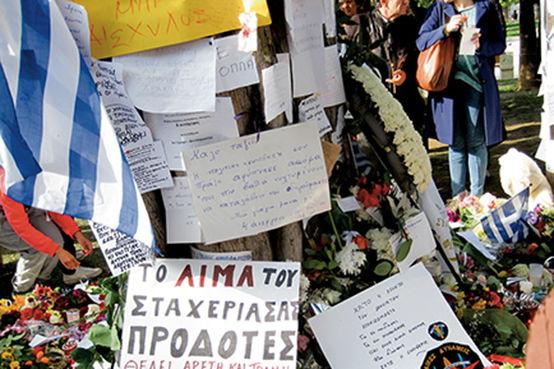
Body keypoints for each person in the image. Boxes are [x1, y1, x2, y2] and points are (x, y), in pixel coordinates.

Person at [416, 0, 506, 196]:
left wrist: (481, 45)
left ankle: (477, 197)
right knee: (455, 143)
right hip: (447, 86)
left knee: (476, 141)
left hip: (476, 83)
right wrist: (446, 29)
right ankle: (458, 198)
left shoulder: (487, 6)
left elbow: (500, 44)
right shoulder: (438, 8)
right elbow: (421, 41)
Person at [0, 167, 102, 292]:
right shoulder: (8, 184)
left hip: (29, 208)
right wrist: (58, 251)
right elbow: (22, 228)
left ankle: (42, 279)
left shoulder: (41, 171)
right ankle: (22, 287)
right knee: (35, 249)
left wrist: (76, 233)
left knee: (56, 240)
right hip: (4, 218)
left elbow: (53, 206)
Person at [346, 0, 428, 141]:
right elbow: (349, 65)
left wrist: (405, 73)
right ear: (384, 2)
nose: (406, 2)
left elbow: (419, 58)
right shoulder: (359, 24)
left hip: (409, 107)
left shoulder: (411, 24)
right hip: (374, 110)